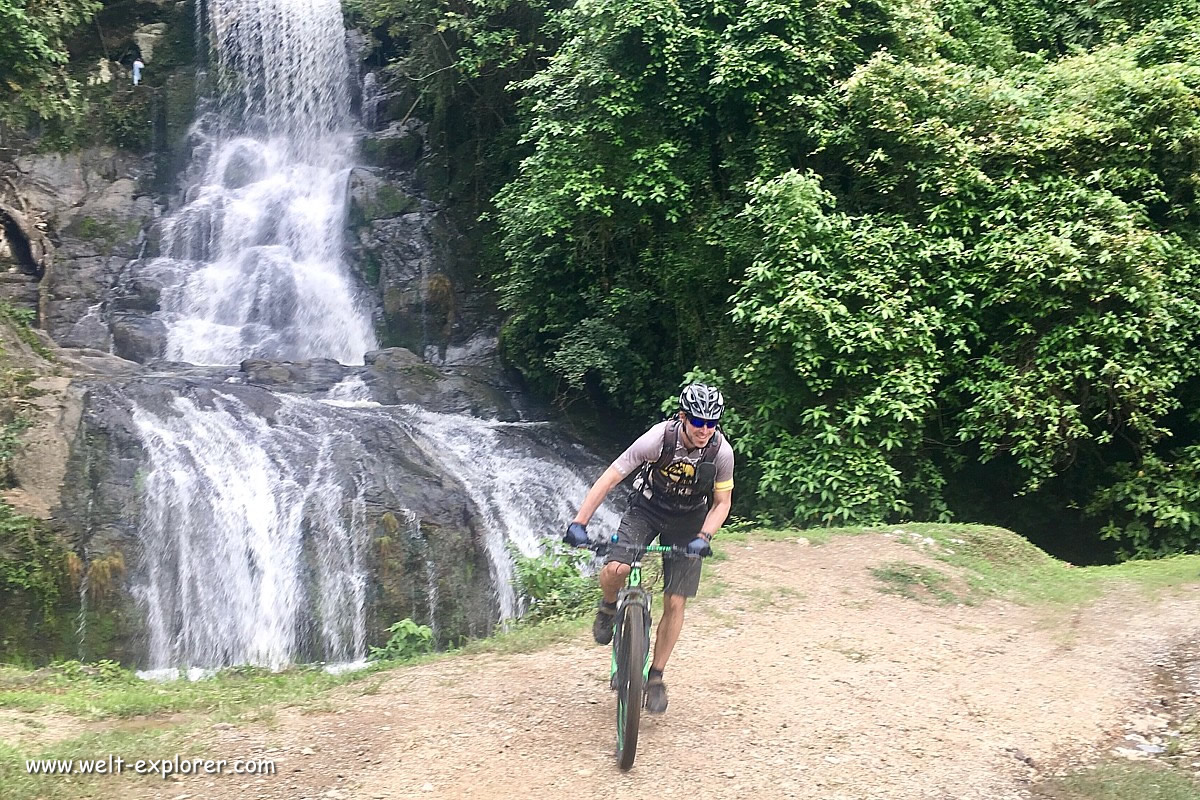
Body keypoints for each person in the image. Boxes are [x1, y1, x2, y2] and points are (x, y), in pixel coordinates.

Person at [564, 383, 734, 714]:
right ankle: (609, 605)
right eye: (698, 421)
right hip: (647, 509)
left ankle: (655, 677)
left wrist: (705, 536)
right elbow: (610, 478)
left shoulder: (721, 453)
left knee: (676, 600)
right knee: (617, 569)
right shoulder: (658, 438)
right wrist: (579, 522)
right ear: (684, 417)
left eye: (711, 423)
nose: (703, 429)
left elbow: (722, 502)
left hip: (690, 520)